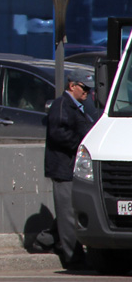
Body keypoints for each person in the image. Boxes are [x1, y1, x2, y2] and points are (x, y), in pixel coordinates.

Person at [43, 75, 96, 269]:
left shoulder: (80, 107)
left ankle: (44, 240)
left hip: (75, 168)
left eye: (90, 89)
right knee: (67, 213)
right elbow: (58, 134)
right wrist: (81, 145)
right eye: (84, 88)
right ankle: (73, 258)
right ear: (72, 86)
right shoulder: (61, 105)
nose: (87, 92)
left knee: (70, 210)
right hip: (63, 167)